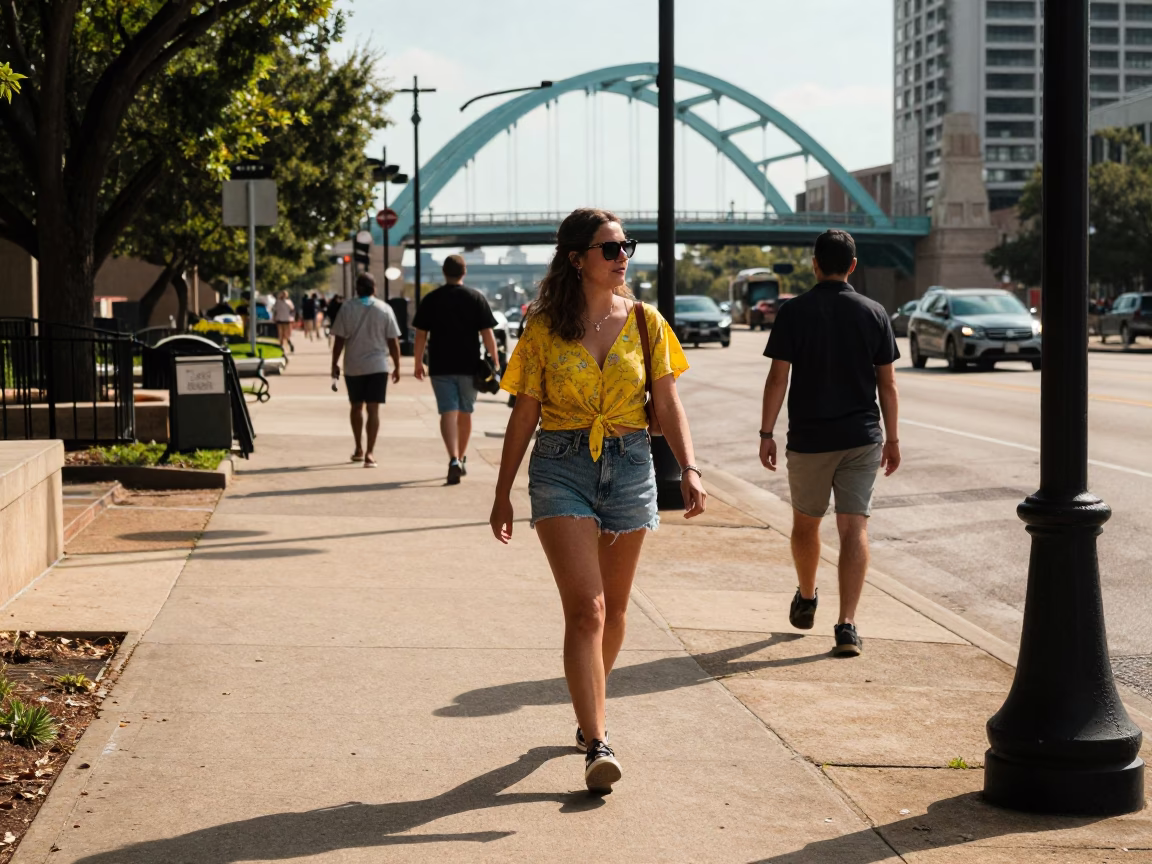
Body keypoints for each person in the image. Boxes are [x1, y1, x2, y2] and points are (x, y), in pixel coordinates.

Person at [489, 208, 708, 793]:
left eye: (625, 247)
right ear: (576, 258)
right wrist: (502, 491)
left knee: (614, 609)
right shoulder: (542, 327)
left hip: (631, 465)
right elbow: (525, 412)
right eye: (610, 248)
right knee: (587, 609)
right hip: (561, 467)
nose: (622, 258)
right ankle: (598, 741)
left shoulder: (646, 322)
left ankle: (590, 711)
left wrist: (689, 466)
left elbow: (668, 401)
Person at [759, 229, 901, 657]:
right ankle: (847, 626)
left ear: (815, 264)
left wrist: (766, 433)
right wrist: (893, 438)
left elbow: (778, 378)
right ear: (853, 266)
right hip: (862, 438)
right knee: (854, 527)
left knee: (806, 524)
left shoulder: (794, 312)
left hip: (810, 440)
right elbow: (888, 384)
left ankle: (806, 596)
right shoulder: (875, 312)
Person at [412, 255, 500, 485]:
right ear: (464, 272)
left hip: (440, 366)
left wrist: (418, 362)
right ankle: (461, 456)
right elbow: (487, 333)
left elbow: (420, 334)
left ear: (444, 272)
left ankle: (452, 459)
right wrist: (495, 360)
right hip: (469, 366)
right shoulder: (475, 298)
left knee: (447, 412)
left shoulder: (432, 299)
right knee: (465, 412)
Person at [331, 273, 402, 468]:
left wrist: (334, 363)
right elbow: (393, 341)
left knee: (356, 407)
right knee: (373, 409)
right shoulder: (385, 309)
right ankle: (370, 453)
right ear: (374, 288)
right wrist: (397, 366)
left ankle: (358, 448)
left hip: (353, 365)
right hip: (378, 366)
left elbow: (339, 339)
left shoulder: (347, 308)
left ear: (357, 289)